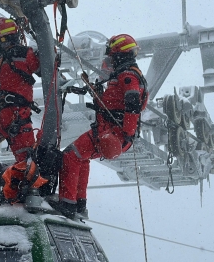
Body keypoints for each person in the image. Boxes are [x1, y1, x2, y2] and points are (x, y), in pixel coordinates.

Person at [48, 34, 149, 218]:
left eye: (111, 55)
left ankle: (68, 204)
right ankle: (79, 205)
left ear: (119, 54)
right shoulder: (126, 74)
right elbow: (115, 103)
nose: (109, 59)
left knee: (71, 155)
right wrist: (96, 93)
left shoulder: (127, 75)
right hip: (111, 132)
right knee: (81, 157)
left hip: (112, 132)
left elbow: (132, 104)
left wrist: (125, 133)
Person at [0, 17, 43, 202]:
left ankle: (18, 191)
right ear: (16, 34)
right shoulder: (23, 54)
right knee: (26, 159)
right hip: (17, 114)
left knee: (22, 156)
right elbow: (43, 66)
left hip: (3, 115)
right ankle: (17, 196)